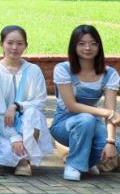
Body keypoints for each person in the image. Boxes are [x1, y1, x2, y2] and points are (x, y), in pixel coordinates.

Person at [0, 26, 54, 176]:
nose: (14, 48)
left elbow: (40, 101)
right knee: (10, 155)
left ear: (26, 45)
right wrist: (14, 136)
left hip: (27, 122)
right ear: (1, 44)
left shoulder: (33, 70)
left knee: (33, 113)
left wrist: (16, 106)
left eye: (20, 43)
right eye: (10, 43)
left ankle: (24, 159)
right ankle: (22, 158)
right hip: (0, 125)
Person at [51, 25, 120, 181]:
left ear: (99, 46)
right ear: (74, 46)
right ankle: (74, 166)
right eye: (81, 43)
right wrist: (108, 113)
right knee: (86, 119)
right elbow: (72, 106)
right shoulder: (63, 69)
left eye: (93, 43)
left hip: (92, 123)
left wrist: (110, 141)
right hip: (64, 124)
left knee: (117, 145)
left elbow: (111, 114)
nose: (88, 48)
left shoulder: (109, 74)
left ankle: (86, 162)